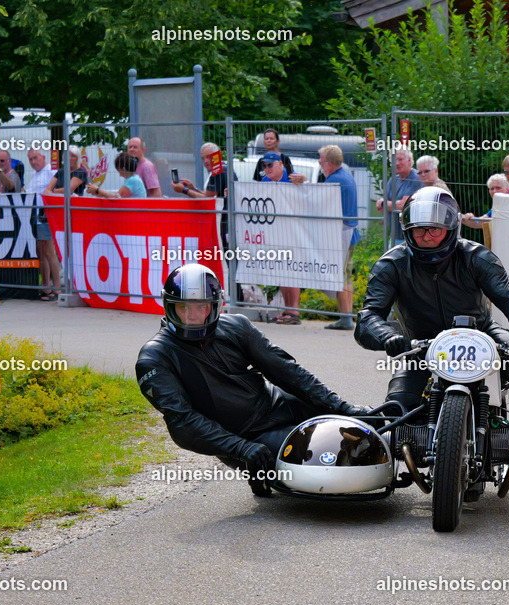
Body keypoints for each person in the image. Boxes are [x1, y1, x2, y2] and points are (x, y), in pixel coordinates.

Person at [354, 186, 509, 486]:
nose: (427, 237)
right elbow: (368, 315)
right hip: (421, 346)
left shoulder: (475, 256)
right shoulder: (391, 264)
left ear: (450, 228)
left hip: (482, 336)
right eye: (419, 230)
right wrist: (386, 336)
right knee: (396, 414)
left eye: (434, 229)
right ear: (408, 230)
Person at [135, 264, 370, 496]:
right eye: (183, 307)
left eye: (201, 306)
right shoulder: (154, 358)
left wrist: (342, 406)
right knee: (325, 459)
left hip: (277, 404)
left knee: (361, 425)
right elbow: (182, 422)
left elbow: (285, 370)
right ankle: (263, 469)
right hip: (244, 437)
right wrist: (240, 448)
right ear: (169, 307)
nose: (192, 316)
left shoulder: (237, 326)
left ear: (214, 306)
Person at [257, 151, 301, 325]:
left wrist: (303, 180)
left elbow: (308, 190)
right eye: (264, 166)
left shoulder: (292, 179)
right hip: (275, 233)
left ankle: (294, 311)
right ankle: (287, 309)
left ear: (280, 165)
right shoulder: (265, 181)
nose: (266, 169)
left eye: (270, 165)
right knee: (282, 271)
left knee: (293, 271)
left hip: (293, 232)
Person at [319, 145, 360, 331]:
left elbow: (318, 203)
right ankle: (346, 316)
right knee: (346, 276)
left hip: (343, 233)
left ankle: (345, 318)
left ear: (328, 163)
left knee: (341, 277)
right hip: (349, 232)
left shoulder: (334, 181)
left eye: (321, 160)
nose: (320, 164)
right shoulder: (345, 175)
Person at [171, 142, 230, 249]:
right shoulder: (222, 168)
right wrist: (194, 188)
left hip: (224, 222)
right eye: (203, 158)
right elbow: (210, 195)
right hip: (224, 220)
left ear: (217, 155)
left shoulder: (219, 171)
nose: (206, 161)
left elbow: (208, 199)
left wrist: (184, 190)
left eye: (208, 157)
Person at [24, 149, 58, 301]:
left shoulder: (51, 171)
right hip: (35, 217)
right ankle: (46, 286)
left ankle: (56, 287)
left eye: (35, 158)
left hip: (46, 217)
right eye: (30, 159)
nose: (33, 162)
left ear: (43, 157)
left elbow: (55, 192)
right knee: (41, 253)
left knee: (49, 252)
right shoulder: (34, 175)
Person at [376, 148, 423, 244]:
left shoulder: (416, 178)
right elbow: (380, 208)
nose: (397, 163)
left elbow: (403, 206)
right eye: (394, 160)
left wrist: (385, 204)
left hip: (411, 237)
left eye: (400, 159)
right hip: (394, 236)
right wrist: (390, 205)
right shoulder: (393, 180)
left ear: (409, 160)